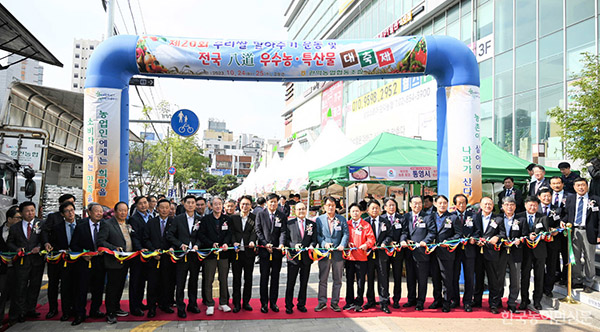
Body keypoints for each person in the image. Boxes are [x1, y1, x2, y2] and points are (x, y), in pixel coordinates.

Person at [7, 201, 44, 324]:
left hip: (37, 261)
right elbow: (10, 242)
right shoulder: (15, 227)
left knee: (35, 286)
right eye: (27, 211)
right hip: (22, 262)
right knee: (20, 287)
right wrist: (16, 249)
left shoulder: (41, 224)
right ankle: (21, 312)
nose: (30, 213)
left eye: (32, 210)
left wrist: (39, 247)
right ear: (22, 213)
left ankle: (31, 309)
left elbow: (45, 240)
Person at [166, 194, 202, 318]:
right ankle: (181, 307)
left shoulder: (199, 219)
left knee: (193, 281)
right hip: (181, 255)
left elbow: (201, 237)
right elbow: (170, 235)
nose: (191, 205)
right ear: (184, 204)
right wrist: (179, 244)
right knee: (180, 282)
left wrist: (197, 245)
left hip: (194, 255)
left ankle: (192, 304)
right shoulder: (178, 219)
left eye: (193, 203)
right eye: (189, 203)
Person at [70, 203, 106, 326]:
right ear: (89, 212)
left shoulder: (106, 225)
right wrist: (83, 254)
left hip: (100, 262)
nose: (99, 213)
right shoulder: (81, 226)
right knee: (82, 288)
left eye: (101, 211)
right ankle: (80, 313)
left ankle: (95, 310)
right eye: (97, 211)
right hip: (85, 262)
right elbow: (74, 244)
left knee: (98, 288)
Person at [96, 201, 132, 324]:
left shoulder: (128, 223)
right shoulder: (107, 224)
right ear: (115, 211)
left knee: (121, 285)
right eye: (120, 210)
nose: (123, 213)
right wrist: (113, 248)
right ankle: (110, 312)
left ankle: (116, 307)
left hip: (126, 259)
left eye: (125, 210)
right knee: (112, 287)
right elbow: (101, 241)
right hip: (114, 260)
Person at [563, 177, 600, 293]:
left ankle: (589, 282)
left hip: (589, 232)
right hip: (574, 232)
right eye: (578, 185)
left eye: (583, 185)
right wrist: (563, 221)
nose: (581, 187)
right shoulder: (570, 199)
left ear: (587, 186)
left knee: (589, 258)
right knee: (575, 258)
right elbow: (566, 214)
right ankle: (577, 280)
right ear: (574, 187)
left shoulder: (596, 199)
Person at [43, 201, 78, 321]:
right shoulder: (57, 228)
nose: (70, 213)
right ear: (62, 214)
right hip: (59, 261)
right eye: (67, 211)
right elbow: (52, 243)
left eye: (72, 210)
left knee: (70, 286)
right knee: (55, 285)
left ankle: (70, 309)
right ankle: (55, 309)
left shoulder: (81, 225)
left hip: (75, 261)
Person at [399, 196, 436, 311]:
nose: (417, 205)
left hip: (422, 252)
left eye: (419, 203)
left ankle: (420, 301)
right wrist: (403, 240)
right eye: (415, 203)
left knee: (422, 278)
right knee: (410, 277)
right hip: (409, 252)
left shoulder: (427, 217)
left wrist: (425, 242)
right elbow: (404, 231)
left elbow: (432, 232)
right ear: (410, 204)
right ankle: (411, 299)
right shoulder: (406, 216)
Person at [198, 197, 232, 315]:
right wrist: (210, 244)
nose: (218, 206)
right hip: (210, 254)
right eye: (215, 204)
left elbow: (229, 234)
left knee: (223, 279)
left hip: (223, 254)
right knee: (209, 279)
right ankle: (210, 303)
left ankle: (223, 302)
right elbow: (201, 235)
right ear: (210, 206)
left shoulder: (227, 219)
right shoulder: (206, 219)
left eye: (220, 204)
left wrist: (225, 243)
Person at [314, 196, 348, 312]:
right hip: (324, 253)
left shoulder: (341, 219)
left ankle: (335, 302)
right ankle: (322, 301)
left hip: (338, 253)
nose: (330, 207)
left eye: (333, 205)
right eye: (328, 205)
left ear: (335, 206)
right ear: (324, 206)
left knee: (337, 279)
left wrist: (342, 244)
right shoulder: (319, 219)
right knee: (323, 278)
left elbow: (345, 234)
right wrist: (324, 243)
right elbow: (317, 235)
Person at [255, 193, 287, 313]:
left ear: (277, 202)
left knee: (275, 277)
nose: (273, 204)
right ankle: (263, 303)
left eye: (275, 201)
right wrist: (264, 243)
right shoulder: (261, 214)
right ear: (267, 202)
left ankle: (273, 302)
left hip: (277, 252)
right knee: (264, 278)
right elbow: (258, 230)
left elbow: (283, 231)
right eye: (270, 201)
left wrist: (281, 244)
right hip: (264, 251)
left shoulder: (281, 215)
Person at [142, 199, 175, 318]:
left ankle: (165, 304)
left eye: (167, 207)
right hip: (153, 258)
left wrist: (172, 247)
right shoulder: (151, 222)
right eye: (162, 207)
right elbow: (145, 239)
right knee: (152, 283)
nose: (165, 210)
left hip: (167, 258)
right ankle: (151, 307)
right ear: (157, 208)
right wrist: (152, 250)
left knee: (167, 282)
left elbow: (176, 238)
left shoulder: (173, 222)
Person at [429, 195, 462, 313]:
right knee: (435, 277)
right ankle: (437, 300)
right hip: (432, 252)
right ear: (435, 204)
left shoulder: (453, 217)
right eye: (440, 203)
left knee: (447, 278)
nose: (442, 205)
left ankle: (447, 301)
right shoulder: (430, 216)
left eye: (444, 203)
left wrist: (448, 242)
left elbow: (458, 234)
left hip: (447, 252)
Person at [473, 196, 504, 314]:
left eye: (490, 204)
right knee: (478, 278)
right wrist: (475, 240)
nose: (487, 206)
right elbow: (471, 232)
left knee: (493, 280)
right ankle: (476, 300)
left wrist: (497, 237)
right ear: (480, 206)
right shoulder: (474, 218)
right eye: (485, 204)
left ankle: (494, 304)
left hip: (492, 253)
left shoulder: (498, 219)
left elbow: (503, 233)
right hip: (477, 252)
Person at [284, 202, 316, 314]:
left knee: (304, 282)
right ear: (295, 211)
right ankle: (288, 305)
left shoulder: (312, 224)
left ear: (306, 210)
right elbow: (286, 240)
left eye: (303, 209)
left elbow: (314, 239)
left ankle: (301, 303)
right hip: (294, 257)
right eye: (299, 209)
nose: (301, 211)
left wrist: (312, 246)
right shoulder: (289, 224)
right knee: (291, 282)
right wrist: (294, 246)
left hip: (306, 258)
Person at [520, 195, 550, 311]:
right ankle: (524, 300)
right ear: (525, 205)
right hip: (525, 251)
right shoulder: (519, 216)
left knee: (539, 276)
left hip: (540, 251)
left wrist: (542, 236)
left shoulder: (543, 217)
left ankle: (537, 300)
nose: (532, 207)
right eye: (530, 205)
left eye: (535, 205)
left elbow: (547, 234)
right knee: (525, 276)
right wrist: (528, 236)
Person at [343, 203, 375, 312]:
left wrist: (367, 245)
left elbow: (371, 239)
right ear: (350, 213)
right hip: (350, 258)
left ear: (361, 212)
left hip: (362, 257)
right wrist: (347, 244)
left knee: (361, 281)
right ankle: (349, 301)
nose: (355, 213)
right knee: (349, 280)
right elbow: (343, 237)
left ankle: (359, 302)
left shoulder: (366, 225)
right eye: (353, 211)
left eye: (357, 211)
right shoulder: (346, 224)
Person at [363, 200, 393, 313]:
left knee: (383, 277)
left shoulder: (385, 221)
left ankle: (384, 302)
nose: (375, 210)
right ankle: (370, 300)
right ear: (368, 210)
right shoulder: (364, 222)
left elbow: (390, 235)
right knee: (370, 277)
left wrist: (385, 242)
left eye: (377, 208)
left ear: (380, 209)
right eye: (372, 208)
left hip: (382, 254)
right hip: (368, 255)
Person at [452, 194, 480, 312]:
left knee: (469, 277)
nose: (462, 205)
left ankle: (468, 301)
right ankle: (455, 299)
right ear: (455, 204)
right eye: (459, 203)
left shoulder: (473, 216)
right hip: (455, 250)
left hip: (469, 250)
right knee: (454, 276)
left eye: (464, 202)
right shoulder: (451, 216)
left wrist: (474, 237)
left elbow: (478, 230)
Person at [496, 197, 523, 314]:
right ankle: (497, 300)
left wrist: (520, 241)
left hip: (515, 252)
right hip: (500, 252)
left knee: (515, 279)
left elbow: (525, 234)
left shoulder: (521, 219)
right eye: (507, 204)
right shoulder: (497, 219)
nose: (509, 207)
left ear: (515, 206)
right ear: (502, 206)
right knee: (499, 278)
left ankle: (512, 302)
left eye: (512, 204)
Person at [230, 195, 257, 313]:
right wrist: (233, 242)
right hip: (236, 253)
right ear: (239, 205)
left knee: (248, 278)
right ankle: (236, 303)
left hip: (249, 252)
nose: (245, 206)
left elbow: (255, 231)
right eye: (243, 204)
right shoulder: (233, 218)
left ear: (251, 206)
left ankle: (246, 302)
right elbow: (231, 233)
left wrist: (252, 241)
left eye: (247, 204)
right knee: (236, 279)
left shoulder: (254, 218)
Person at [128, 196, 151, 317]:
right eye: (140, 203)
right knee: (136, 281)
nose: (143, 205)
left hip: (150, 254)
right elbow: (134, 237)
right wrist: (140, 249)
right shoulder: (133, 219)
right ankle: (134, 306)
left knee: (143, 281)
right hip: (138, 254)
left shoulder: (151, 216)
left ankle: (140, 302)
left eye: (145, 203)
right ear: (136, 205)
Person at [548, 176, 571, 288]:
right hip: (552, 231)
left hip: (565, 229)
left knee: (566, 253)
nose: (556, 185)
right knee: (553, 254)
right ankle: (556, 274)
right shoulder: (547, 196)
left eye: (558, 183)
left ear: (562, 184)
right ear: (550, 185)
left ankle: (566, 276)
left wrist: (563, 221)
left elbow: (570, 212)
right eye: (554, 183)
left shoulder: (569, 196)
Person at [383, 197, 405, 309]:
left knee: (397, 276)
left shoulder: (401, 218)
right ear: (385, 207)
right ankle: (385, 298)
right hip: (384, 252)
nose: (391, 207)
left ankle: (396, 299)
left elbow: (404, 232)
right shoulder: (381, 218)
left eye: (393, 205)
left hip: (398, 251)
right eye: (389, 205)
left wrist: (401, 241)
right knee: (384, 276)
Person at [0, 207, 21, 323]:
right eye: (17, 218)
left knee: (15, 294)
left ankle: (13, 318)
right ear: (9, 219)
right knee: (2, 294)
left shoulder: (20, 232)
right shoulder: (1, 231)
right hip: (2, 268)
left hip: (16, 267)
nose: (20, 220)